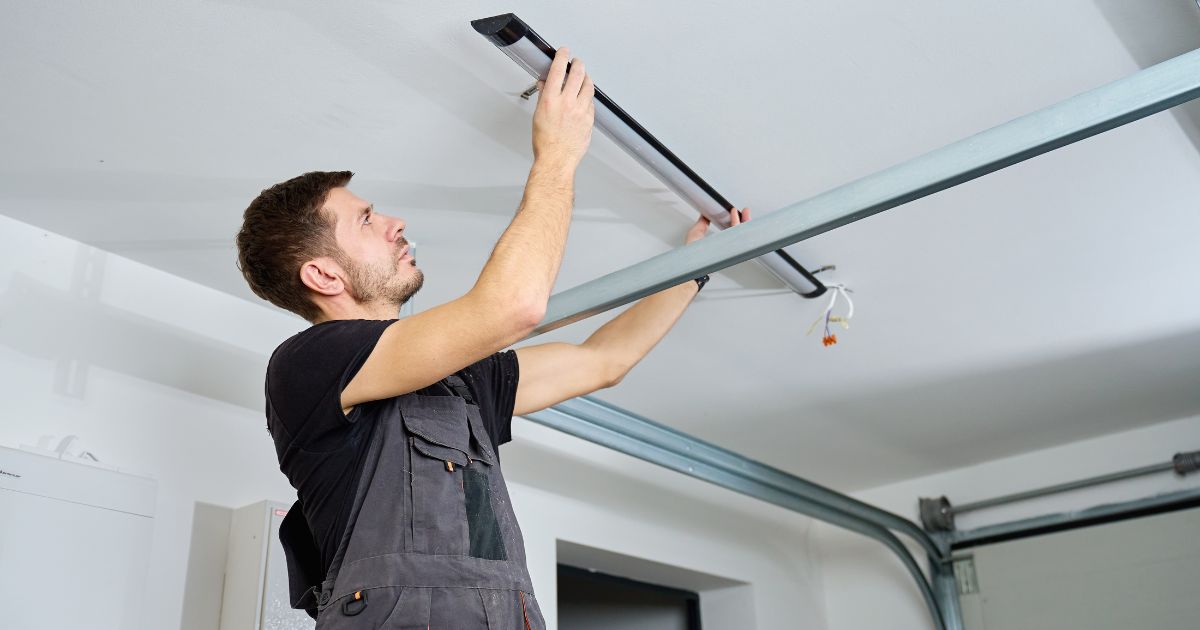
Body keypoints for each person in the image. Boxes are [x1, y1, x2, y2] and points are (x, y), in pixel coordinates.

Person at [234, 48, 749, 628]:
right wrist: (557, 156)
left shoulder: (459, 380)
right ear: (324, 276)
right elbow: (514, 308)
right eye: (366, 220)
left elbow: (604, 360)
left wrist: (697, 268)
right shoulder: (310, 364)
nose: (393, 222)